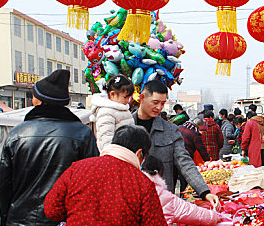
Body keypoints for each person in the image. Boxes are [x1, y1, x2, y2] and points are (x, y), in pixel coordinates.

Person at [0, 69, 98, 226]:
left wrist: (7, 223)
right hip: (66, 224)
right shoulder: (82, 134)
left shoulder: (17, 133)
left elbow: (4, 185)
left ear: (37, 100)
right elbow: (92, 182)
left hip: (25, 225)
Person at [133, 80, 219, 208]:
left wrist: (204, 191)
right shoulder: (125, 126)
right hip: (131, 198)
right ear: (142, 98)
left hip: (161, 202)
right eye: (155, 102)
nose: (159, 108)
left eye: (163, 103)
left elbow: (184, 162)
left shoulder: (170, 130)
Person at [91, 74, 135, 151]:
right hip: (115, 156)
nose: (128, 100)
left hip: (126, 153)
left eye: (129, 97)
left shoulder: (123, 108)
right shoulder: (106, 112)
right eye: (125, 97)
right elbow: (106, 139)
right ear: (112, 94)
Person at [178, 117, 211, 192]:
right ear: (199, 125)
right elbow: (201, 148)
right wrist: (207, 159)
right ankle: (183, 194)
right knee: (184, 178)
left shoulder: (180, 127)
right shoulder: (195, 133)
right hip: (185, 157)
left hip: (174, 155)